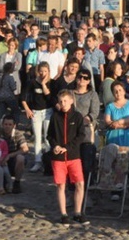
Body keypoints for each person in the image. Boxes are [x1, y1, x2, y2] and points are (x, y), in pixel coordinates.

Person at [47, 89, 89, 225]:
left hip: (73, 156)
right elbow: (50, 135)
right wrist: (55, 146)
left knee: (79, 184)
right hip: (58, 157)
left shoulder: (77, 117)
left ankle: (77, 212)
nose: (63, 103)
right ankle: (64, 214)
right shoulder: (55, 116)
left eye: (65, 101)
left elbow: (81, 135)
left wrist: (68, 147)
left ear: (71, 101)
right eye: (60, 101)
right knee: (60, 185)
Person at [21, 62, 54, 172]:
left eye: (45, 71)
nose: (43, 73)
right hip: (35, 112)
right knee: (37, 137)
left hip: (48, 111)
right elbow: (23, 97)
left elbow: (49, 97)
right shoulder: (32, 83)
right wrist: (27, 109)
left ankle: (49, 161)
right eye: (41, 71)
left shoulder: (51, 83)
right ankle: (38, 161)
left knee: (47, 137)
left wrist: (44, 84)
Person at [104, 81, 129, 149]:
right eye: (115, 91)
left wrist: (118, 122)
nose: (118, 93)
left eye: (120, 90)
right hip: (113, 141)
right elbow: (107, 121)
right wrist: (123, 126)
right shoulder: (109, 106)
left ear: (124, 91)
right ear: (113, 93)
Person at [1, 113, 28, 194]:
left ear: (14, 125)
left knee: (21, 158)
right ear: (2, 125)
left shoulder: (18, 134)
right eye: (5, 124)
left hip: (13, 159)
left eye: (10, 124)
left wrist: (9, 156)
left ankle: (17, 182)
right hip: (0, 159)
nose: (7, 126)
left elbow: (25, 149)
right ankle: (3, 181)